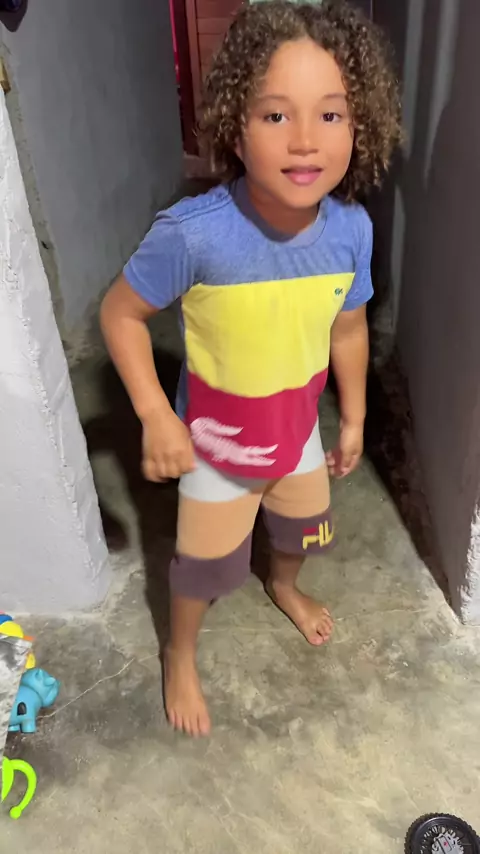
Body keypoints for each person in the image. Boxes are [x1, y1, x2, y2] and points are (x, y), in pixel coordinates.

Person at [100, 0, 401, 737]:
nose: (305, 140)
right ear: (236, 126)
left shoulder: (352, 231)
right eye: (275, 115)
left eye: (330, 114)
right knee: (202, 569)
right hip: (216, 445)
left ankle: (283, 586)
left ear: (359, 125)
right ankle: (179, 651)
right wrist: (155, 415)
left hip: (297, 433)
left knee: (301, 531)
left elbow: (349, 326)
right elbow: (120, 315)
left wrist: (354, 415)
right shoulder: (193, 236)